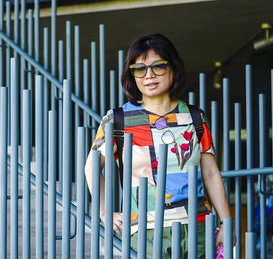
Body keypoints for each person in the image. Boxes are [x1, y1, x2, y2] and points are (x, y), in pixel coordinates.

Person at [83, 33, 233, 258]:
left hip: (199, 227)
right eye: (139, 69)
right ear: (132, 75)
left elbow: (211, 173)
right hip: (146, 233)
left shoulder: (194, 117)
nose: (149, 75)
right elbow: (92, 166)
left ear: (173, 68)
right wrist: (104, 212)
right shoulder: (118, 120)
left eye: (158, 66)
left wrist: (226, 222)